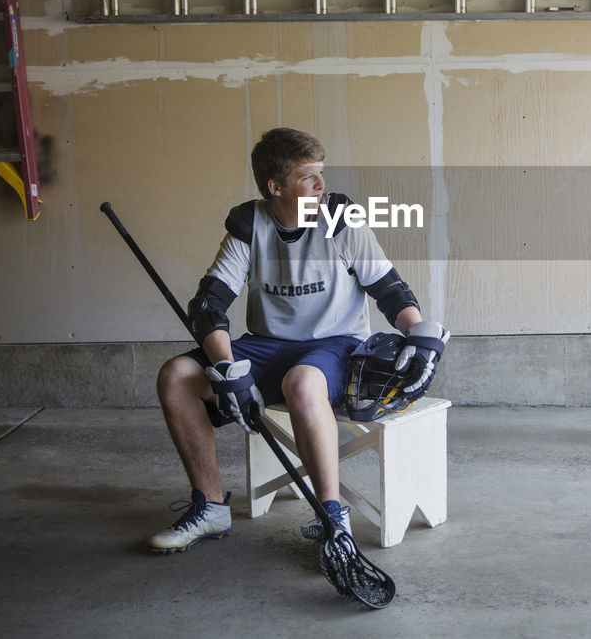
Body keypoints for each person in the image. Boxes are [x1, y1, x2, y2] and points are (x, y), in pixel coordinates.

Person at [149, 127, 445, 555]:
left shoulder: (342, 221)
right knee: (176, 375)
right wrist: (227, 369)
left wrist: (419, 333)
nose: (323, 185)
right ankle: (211, 507)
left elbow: (389, 289)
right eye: (310, 177)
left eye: (322, 174)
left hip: (335, 344)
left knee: (303, 383)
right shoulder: (250, 225)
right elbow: (209, 305)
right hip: (266, 345)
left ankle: (332, 518)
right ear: (276, 186)